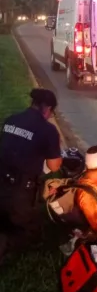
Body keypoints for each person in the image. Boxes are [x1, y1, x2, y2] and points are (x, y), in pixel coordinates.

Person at [0, 89, 62, 261]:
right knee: (27, 233)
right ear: (48, 108)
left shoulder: (11, 120)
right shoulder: (48, 130)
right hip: (20, 189)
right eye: (52, 112)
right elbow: (53, 165)